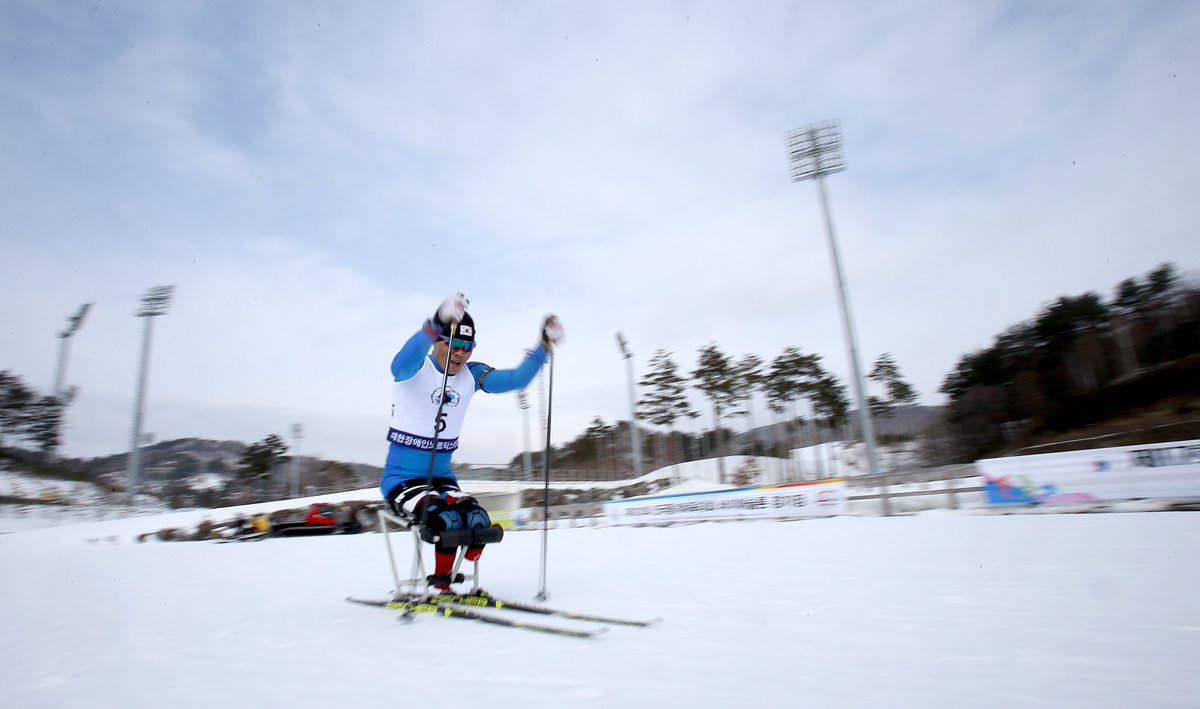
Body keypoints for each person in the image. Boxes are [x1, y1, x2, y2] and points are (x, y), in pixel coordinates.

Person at [381, 293, 563, 589]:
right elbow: (398, 365)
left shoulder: (471, 374)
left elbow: (516, 380)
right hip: (402, 479)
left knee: (476, 518)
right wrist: (436, 323)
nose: (460, 354)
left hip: (442, 479)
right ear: (437, 341)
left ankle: (457, 568)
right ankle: (441, 584)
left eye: (467, 348)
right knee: (445, 519)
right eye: (453, 345)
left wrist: (544, 346)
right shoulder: (416, 369)